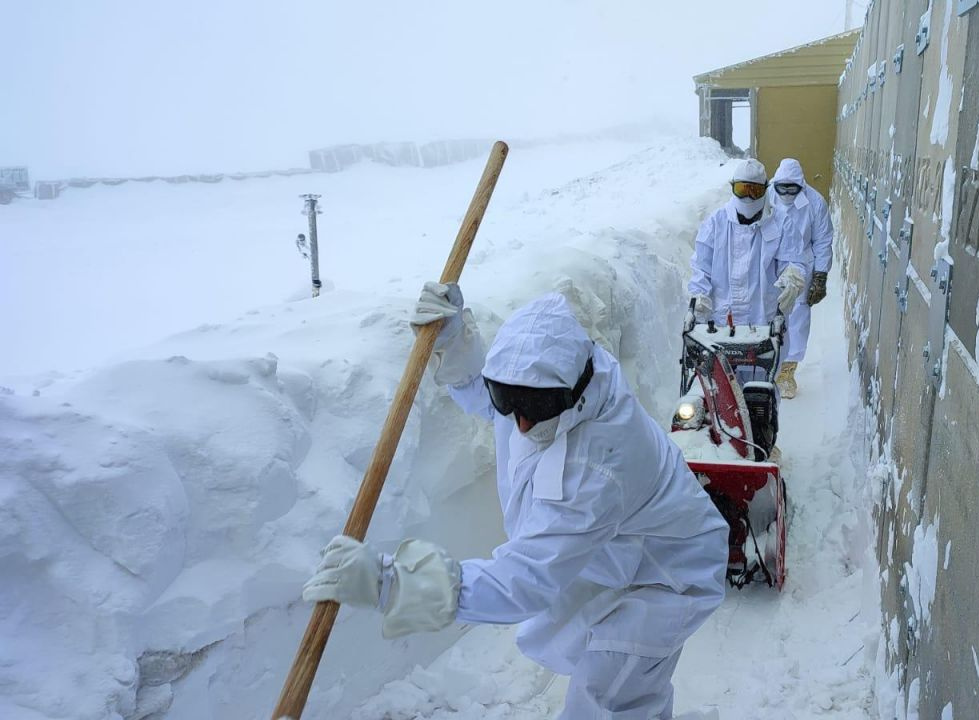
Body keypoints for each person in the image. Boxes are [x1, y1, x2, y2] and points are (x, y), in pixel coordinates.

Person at [302, 288, 729, 720]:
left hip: (666, 578)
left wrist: (392, 583)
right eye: (510, 401)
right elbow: (496, 401)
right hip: (620, 556)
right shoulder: (553, 391)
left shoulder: (599, 467)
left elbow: (524, 580)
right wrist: (455, 344)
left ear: (573, 394)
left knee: (610, 698)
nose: (520, 423)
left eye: (535, 408)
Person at [688, 158, 808, 333]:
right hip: (721, 324)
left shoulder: (782, 224)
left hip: (764, 324)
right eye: (742, 189)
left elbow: (793, 260)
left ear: (765, 190)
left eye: (755, 191)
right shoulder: (716, 223)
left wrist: (792, 279)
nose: (748, 197)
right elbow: (701, 267)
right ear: (733, 188)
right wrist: (699, 296)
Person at [767, 158, 834, 399]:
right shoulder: (767, 196)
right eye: (782, 187)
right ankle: (767, 364)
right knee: (766, 312)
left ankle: (787, 371)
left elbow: (823, 240)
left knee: (797, 318)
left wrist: (820, 274)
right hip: (770, 262)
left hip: (801, 264)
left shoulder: (814, 203)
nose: (786, 193)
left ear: (800, 185)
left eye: (791, 188)